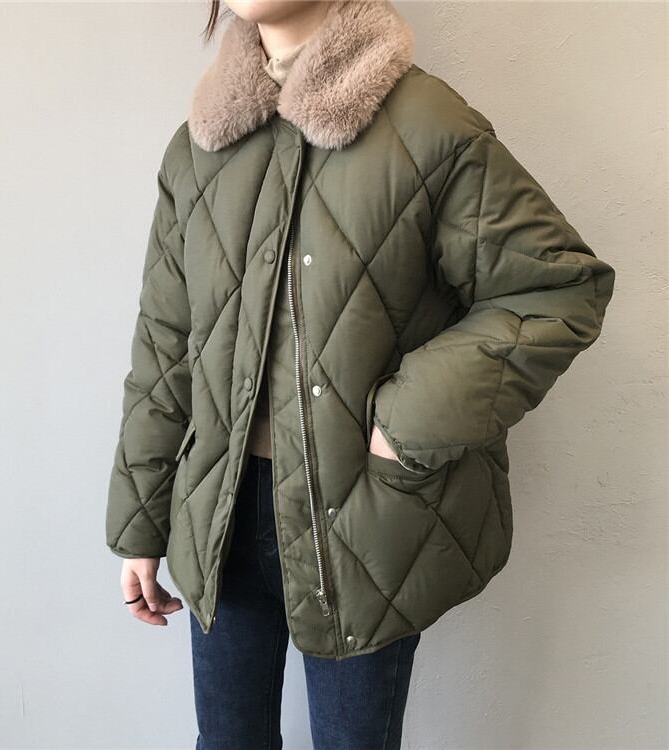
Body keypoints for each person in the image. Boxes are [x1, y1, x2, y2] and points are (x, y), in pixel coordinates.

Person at [105, 1, 617, 748]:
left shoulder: (427, 124)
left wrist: (404, 424)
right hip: (220, 517)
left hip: (363, 522)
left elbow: (557, 291)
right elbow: (165, 344)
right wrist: (141, 522)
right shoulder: (199, 148)